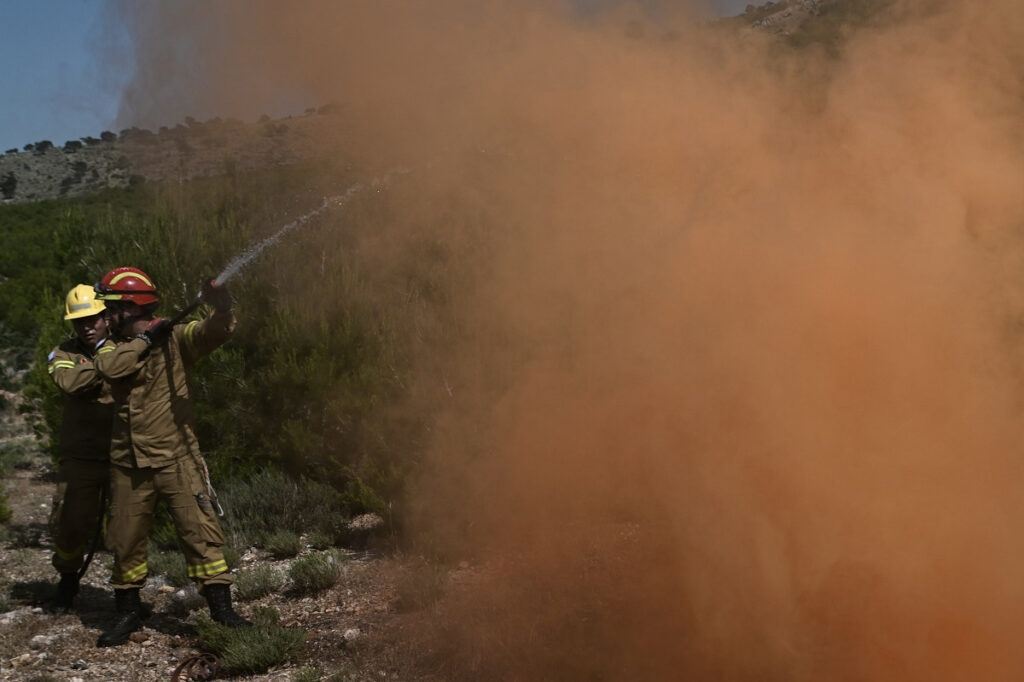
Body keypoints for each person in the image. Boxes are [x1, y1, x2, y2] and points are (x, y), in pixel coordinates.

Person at [91, 266, 249, 648]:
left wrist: (223, 306)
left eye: (111, 308)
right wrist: (146, 339)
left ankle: (222, 611)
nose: (105, 316)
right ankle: (128, 612)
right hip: (128, 463)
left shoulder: (176, 338)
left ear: (129, 308)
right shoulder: (112, 347)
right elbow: (110, 368)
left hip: (177, 457)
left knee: (201, 534)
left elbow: (213, 332)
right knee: (125, 540)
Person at [44, 284, 115, 613]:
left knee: (125, 528)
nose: (86, 327)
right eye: (79, 322)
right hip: (80, 456)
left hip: (121, 454)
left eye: (92, 320)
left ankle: (127, 595)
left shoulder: (125, 346)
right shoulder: (62, 354)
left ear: (106, 318)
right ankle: (68, 580)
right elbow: (69, 383)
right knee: (69, 523)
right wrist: (107, 361)